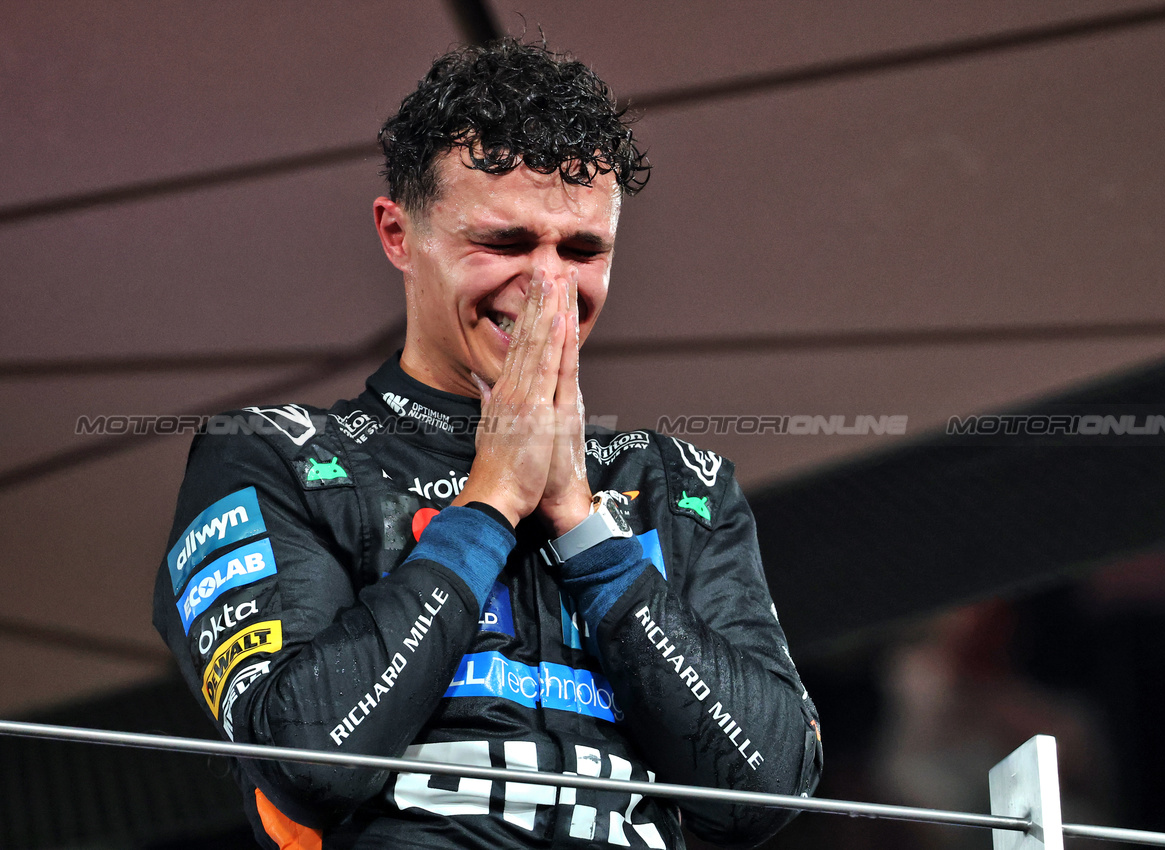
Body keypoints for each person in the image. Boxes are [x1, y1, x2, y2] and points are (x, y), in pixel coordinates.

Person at [153, 38, 822, 849]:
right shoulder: (276, 456)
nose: (549, 288)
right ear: (398, 235)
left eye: (581, 251)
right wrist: (492, 500)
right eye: (504, 244)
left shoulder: (679, 480)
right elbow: (307, 758)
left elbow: (766, 787)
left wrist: (582, 523)